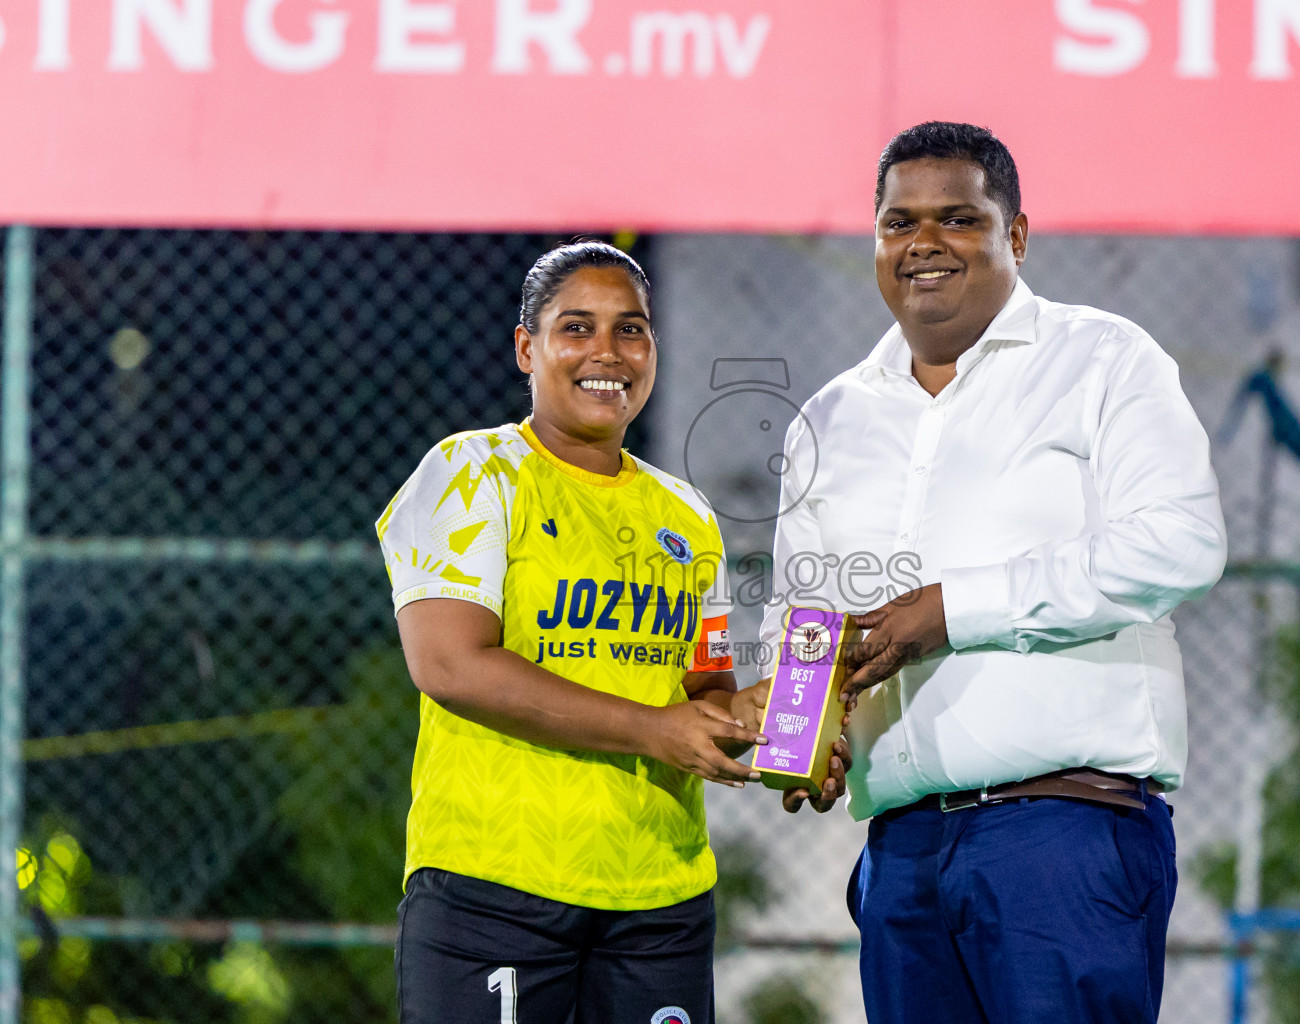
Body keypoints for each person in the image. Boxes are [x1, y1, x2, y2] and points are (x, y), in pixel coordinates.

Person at [753, 123, 1228, 1022]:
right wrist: (802, 737)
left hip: (1063, 835)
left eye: (957, 219)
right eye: (899, 223)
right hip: (900, 852)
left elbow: (1180, 543)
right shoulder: (831, 417)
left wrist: (953, 610)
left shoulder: (1103, 361)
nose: (923, 243)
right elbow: (802, 613)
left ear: (1015, 235)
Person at [377, 241, 774, 1024]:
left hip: (660, 899)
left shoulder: (685, 515)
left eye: (631, 329)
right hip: (496, 889)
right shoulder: (475, 471)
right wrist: (653, 729)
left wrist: (784, 729)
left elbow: (706, 689)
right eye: (577, 327)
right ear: (528, 347)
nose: (608, 353)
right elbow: (450, 664)